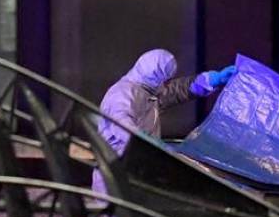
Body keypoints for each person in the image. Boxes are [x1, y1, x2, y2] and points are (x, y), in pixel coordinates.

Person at [91, 48, 237, 193]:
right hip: (116, 175)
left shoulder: (147, 91)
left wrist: (211, 80)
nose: (167, 83)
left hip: (137, 172)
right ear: (156, 76)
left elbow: (176, 91)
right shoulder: (122, 94)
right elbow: (123, 128)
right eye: (166, 79)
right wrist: (155, 146)